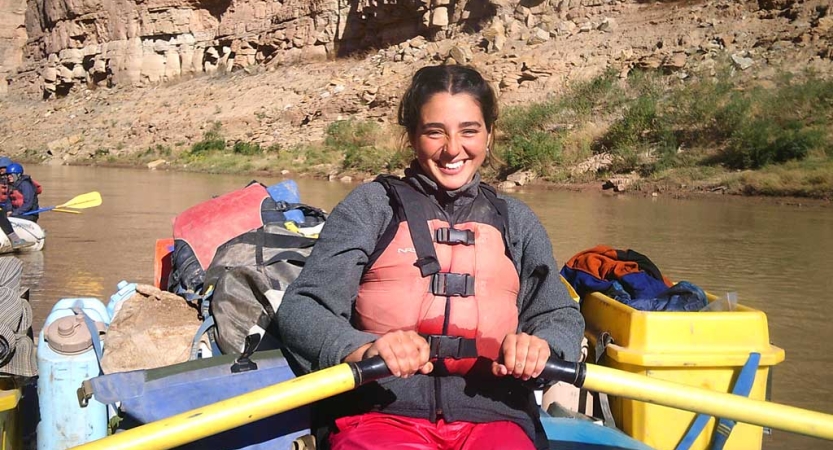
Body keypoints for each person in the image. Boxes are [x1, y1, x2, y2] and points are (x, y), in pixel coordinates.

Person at [277, 65, 584, 450]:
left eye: (469, 131)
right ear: (412, 137)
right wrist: (363, 350)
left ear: (490, 134)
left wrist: (545, 346)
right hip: (378, 413)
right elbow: (303, 306)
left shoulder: (516, 220)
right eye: (435, 131)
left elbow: (557, 313)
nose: (453, 149)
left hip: (495, 415)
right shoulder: (371, 207)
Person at [0, 159, 33, 249]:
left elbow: (28, 203)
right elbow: (8, 201)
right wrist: (9, 210)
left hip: (26, 214)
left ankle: (15, 240)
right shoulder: (11, 186)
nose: (8, 177)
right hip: (14, 212)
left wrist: (15, 213)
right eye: (8, 175)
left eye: (10, 175)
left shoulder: (26, 185)